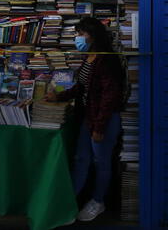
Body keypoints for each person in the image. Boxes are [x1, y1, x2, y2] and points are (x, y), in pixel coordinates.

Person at [45, 17, 125, 223]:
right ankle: (69, 201)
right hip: (88, 118)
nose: (77, 38)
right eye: (77, 33)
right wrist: (58, 96)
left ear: (93, 35)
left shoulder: (107, 59)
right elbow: (82, 88)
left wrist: (99, 127)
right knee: (81, 160)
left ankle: (98, 201)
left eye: (81, 34)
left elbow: (110, 96)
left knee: (101, 162)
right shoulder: (88, 57)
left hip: (103, 120)